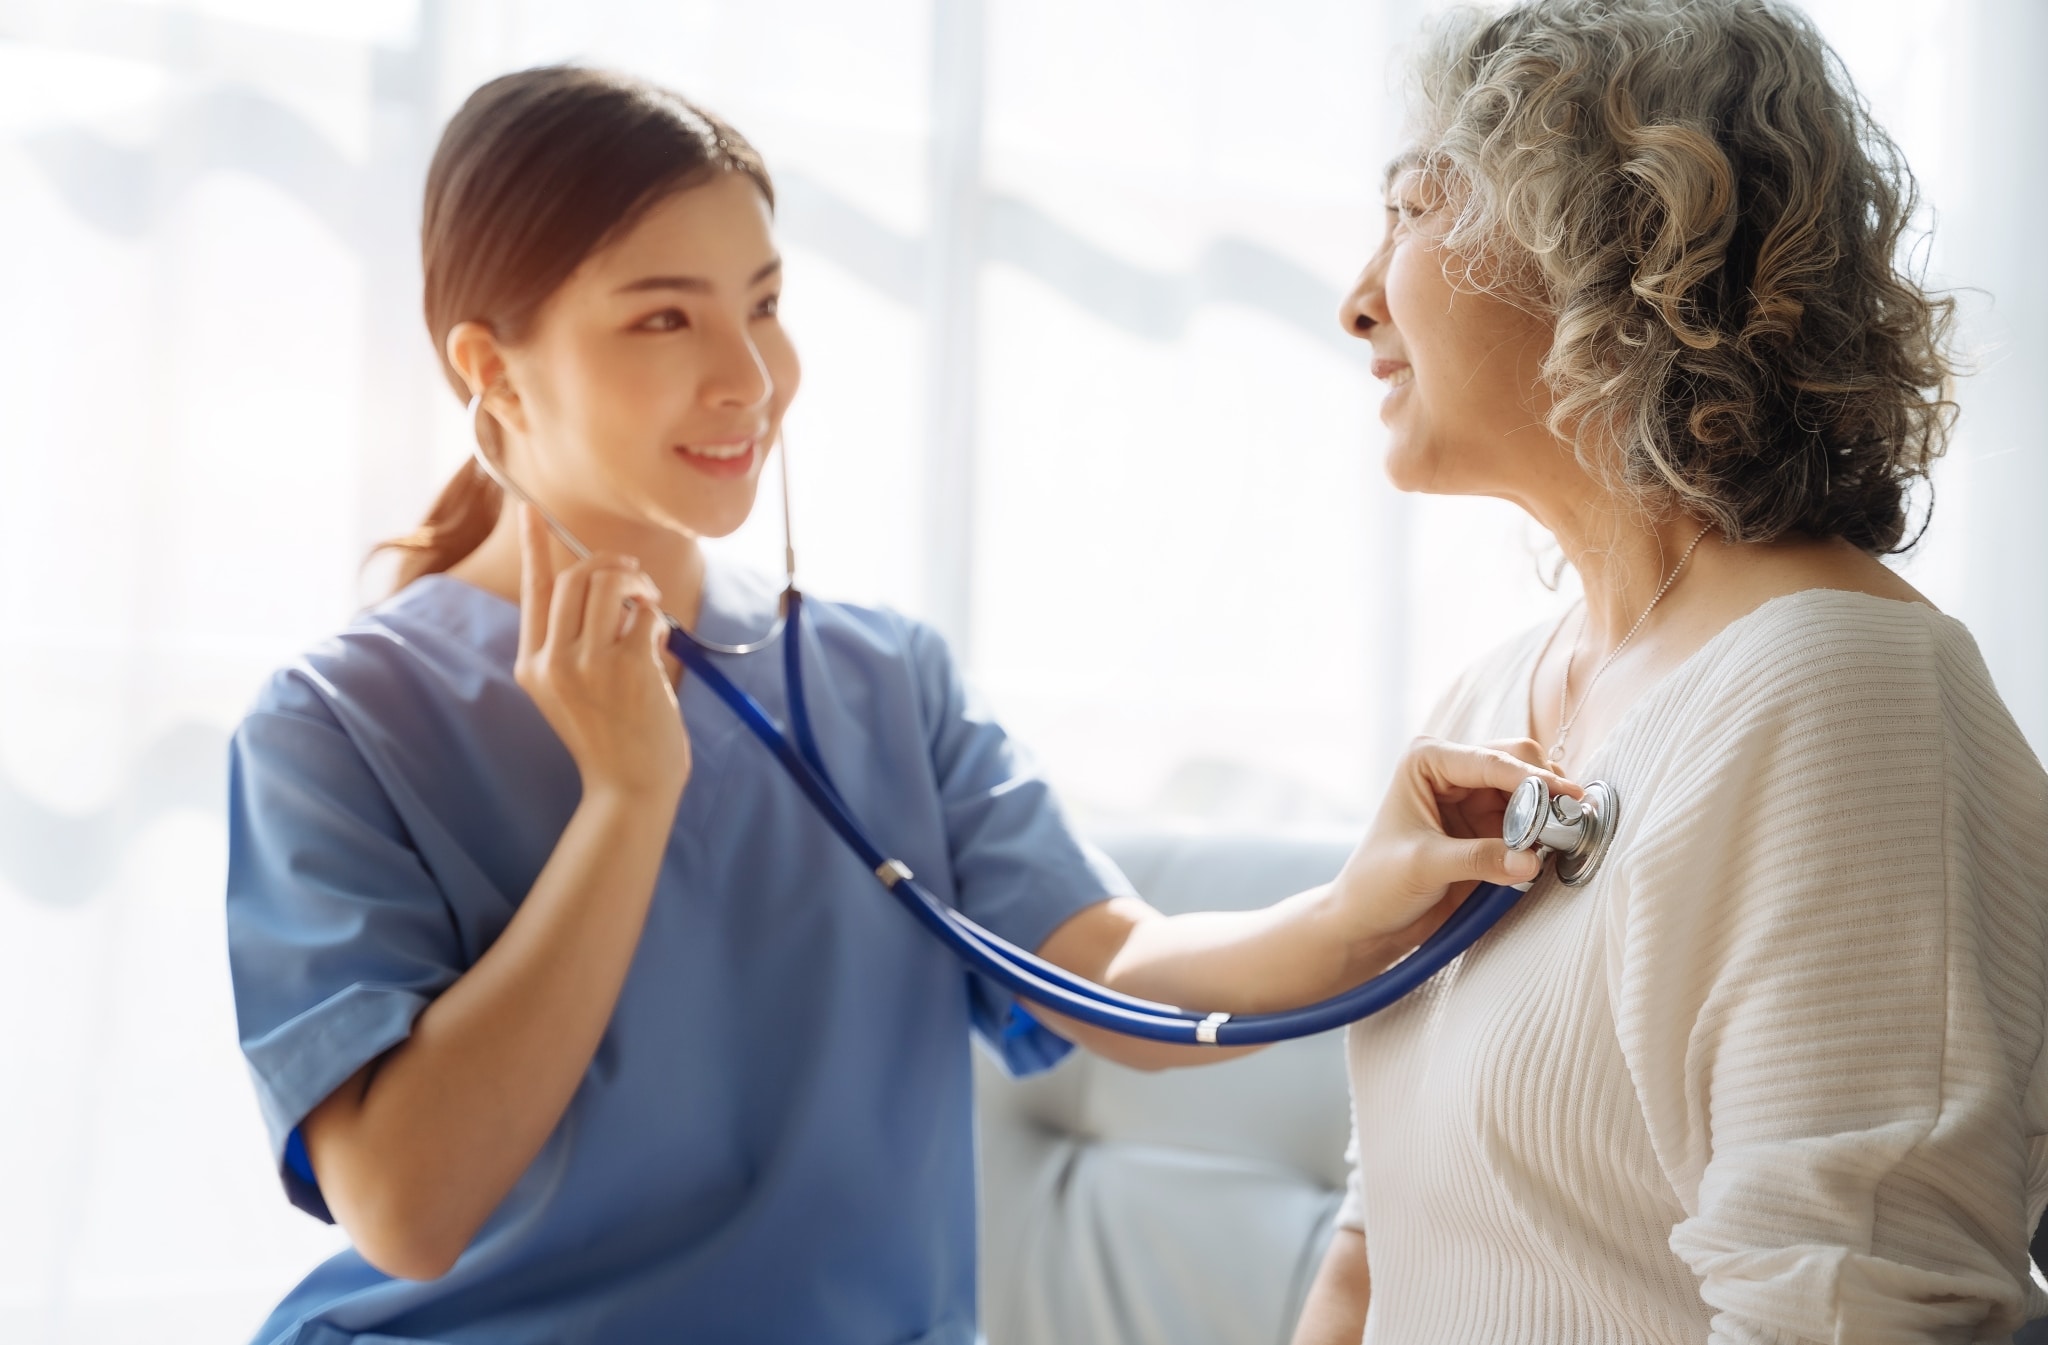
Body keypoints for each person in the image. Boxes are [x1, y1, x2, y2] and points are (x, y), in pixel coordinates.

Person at [225, 66, 1563, 1345]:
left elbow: (1108, 975)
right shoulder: (336, 727)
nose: (750, 375)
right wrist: (629, 798)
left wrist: (1357, 902)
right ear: (492, 370)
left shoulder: (877, 677)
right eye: (662, 316)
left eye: (762, 301)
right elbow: (407, 1206)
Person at [1289, 1, 2048, 1341]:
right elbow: (1372, 1255)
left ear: (1604, 236)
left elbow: (1845, 1316)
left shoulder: (1844, 696)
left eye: (1413, 208)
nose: (1356, 298)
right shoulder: (1490, 701)